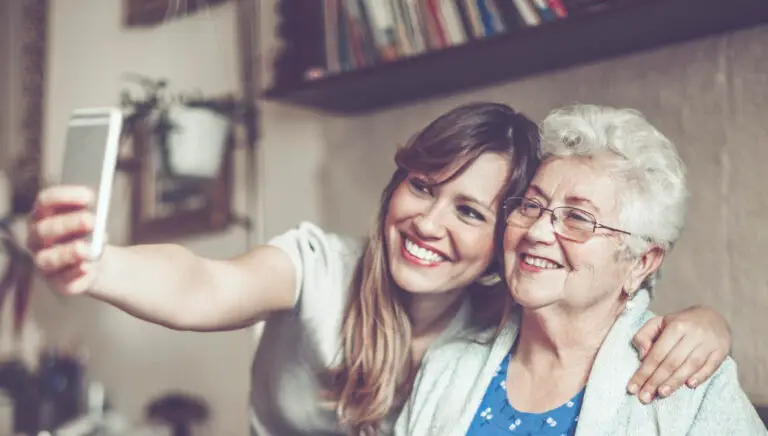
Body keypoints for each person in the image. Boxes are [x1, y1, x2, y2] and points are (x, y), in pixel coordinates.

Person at [28, 103, 732, 436]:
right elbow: (204, 283)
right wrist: (97, 263)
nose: (428, 224)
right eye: (423, 188)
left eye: (469, 211)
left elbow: (603, 281)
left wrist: (707, 326)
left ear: (498, 244)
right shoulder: (324, 269)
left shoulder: (501, 318)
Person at [395, 104, 765, 435]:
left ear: (641, 262)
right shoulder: (447, 367)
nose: (537, 231)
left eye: (577, 217)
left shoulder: (688, 379)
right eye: (530, 206)